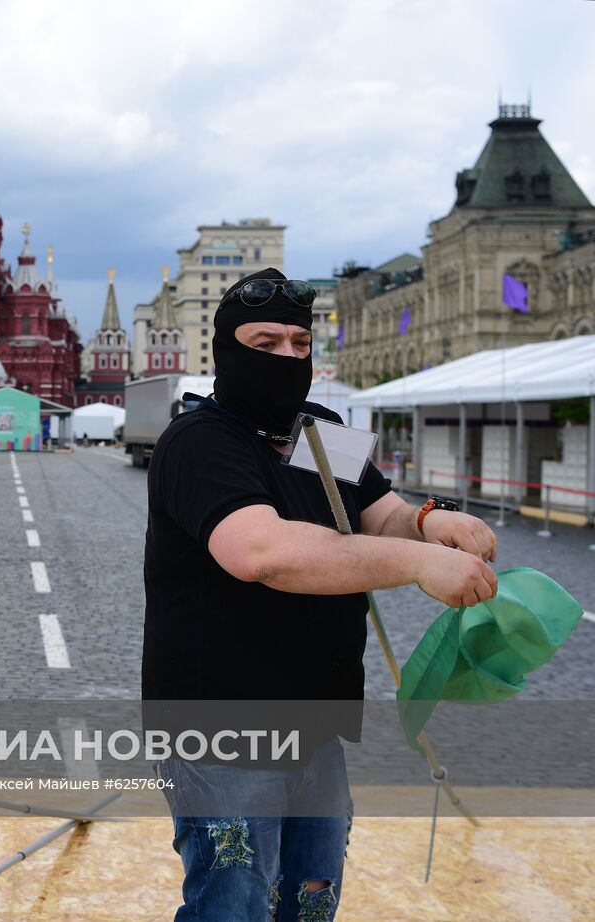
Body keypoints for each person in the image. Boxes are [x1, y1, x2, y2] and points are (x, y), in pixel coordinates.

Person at [143, 268, 498, 922]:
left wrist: (428, 522)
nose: (287, 359)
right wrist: (416, 562)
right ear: (226, 350)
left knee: (311, 897)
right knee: (235, 905)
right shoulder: (197, 442)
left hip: (315, 722)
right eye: (266, 342)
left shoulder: (319, 431)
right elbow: (262, 552)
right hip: (221, 727)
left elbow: (378, 513)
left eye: (300, 346)